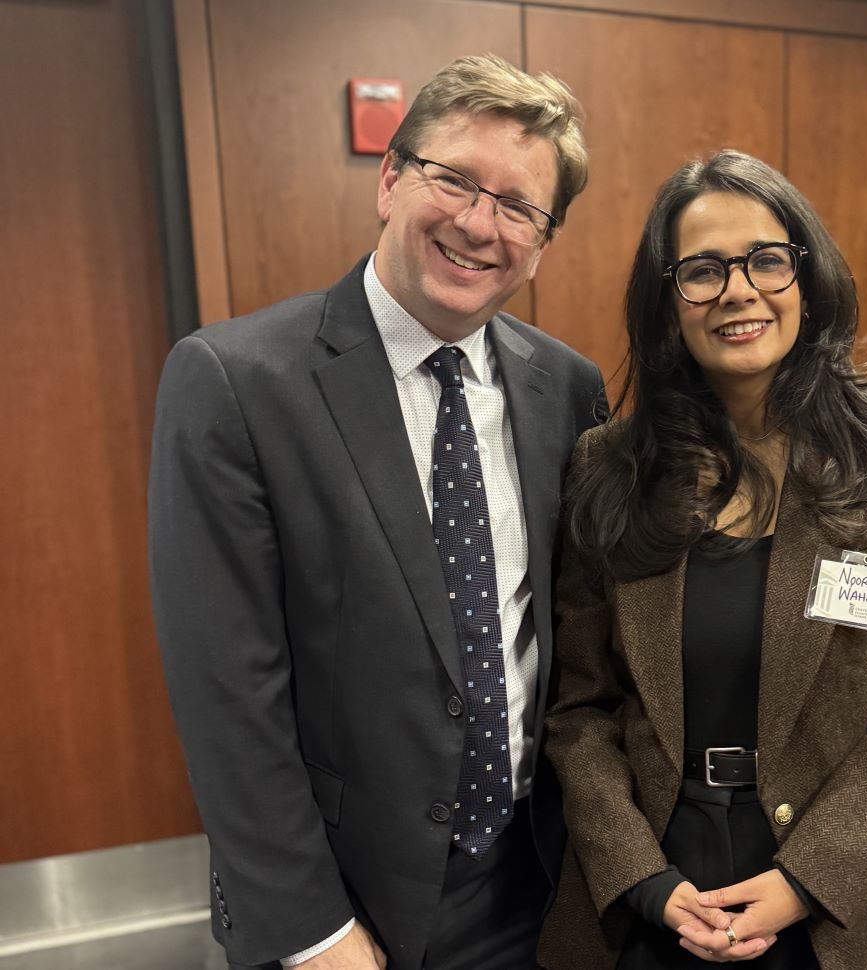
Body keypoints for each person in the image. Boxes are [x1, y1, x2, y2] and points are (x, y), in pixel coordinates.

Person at [149, 54, 604, 970]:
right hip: (342, 905)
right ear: (391, 178)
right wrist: (314, 933)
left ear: (544, 240)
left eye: (518, 205)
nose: (480, 224)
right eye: (456, 180)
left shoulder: (569, 388)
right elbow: (227, 695)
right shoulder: (235, 383)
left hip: (535, 885)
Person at [536, 150, 867, 969]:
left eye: (766, 261)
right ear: (668, 302)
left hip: (850, 898)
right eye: (702, 270)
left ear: (806, 280)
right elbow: (581, 709)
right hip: (656, 894)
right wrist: (641, 875)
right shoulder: (611, 468)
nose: (738, 290)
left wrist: (808, 876)